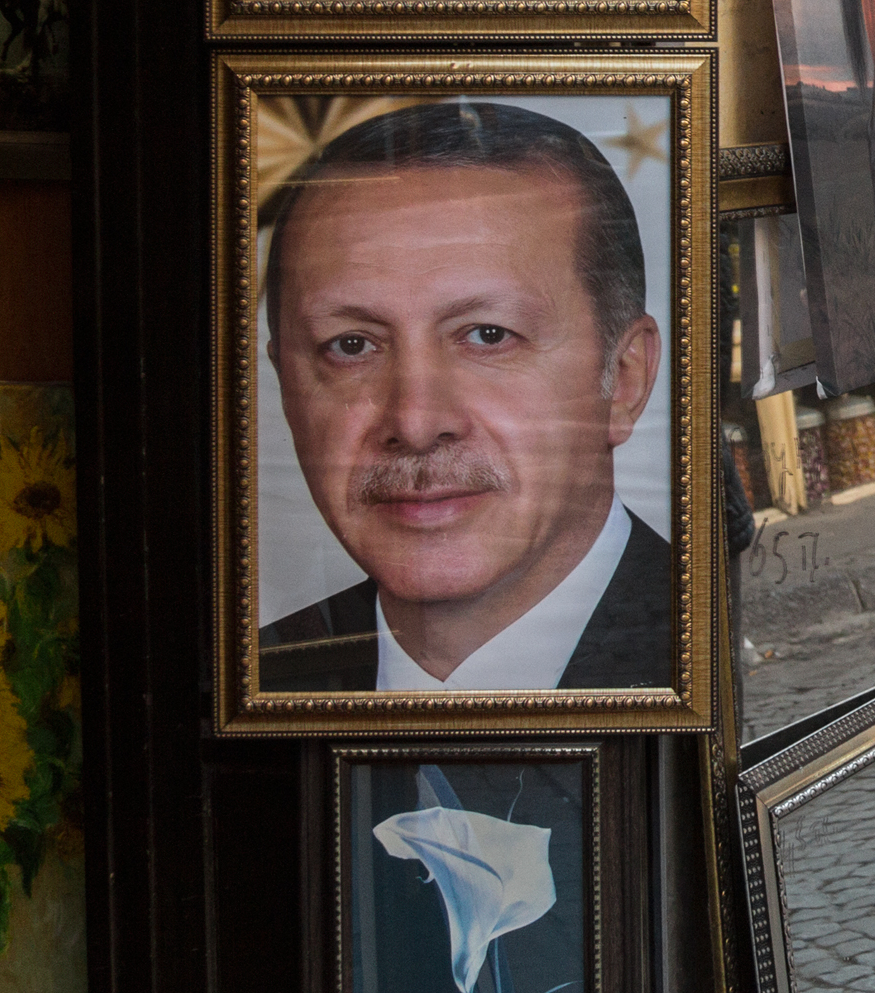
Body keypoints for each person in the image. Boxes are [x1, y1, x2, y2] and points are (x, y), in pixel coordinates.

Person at [258, 101, 673, 693]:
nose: (417, 422)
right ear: (286, 388)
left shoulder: (696, 657)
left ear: (625, 379)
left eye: (488, 336)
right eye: (351, 345)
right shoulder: (254, 684)